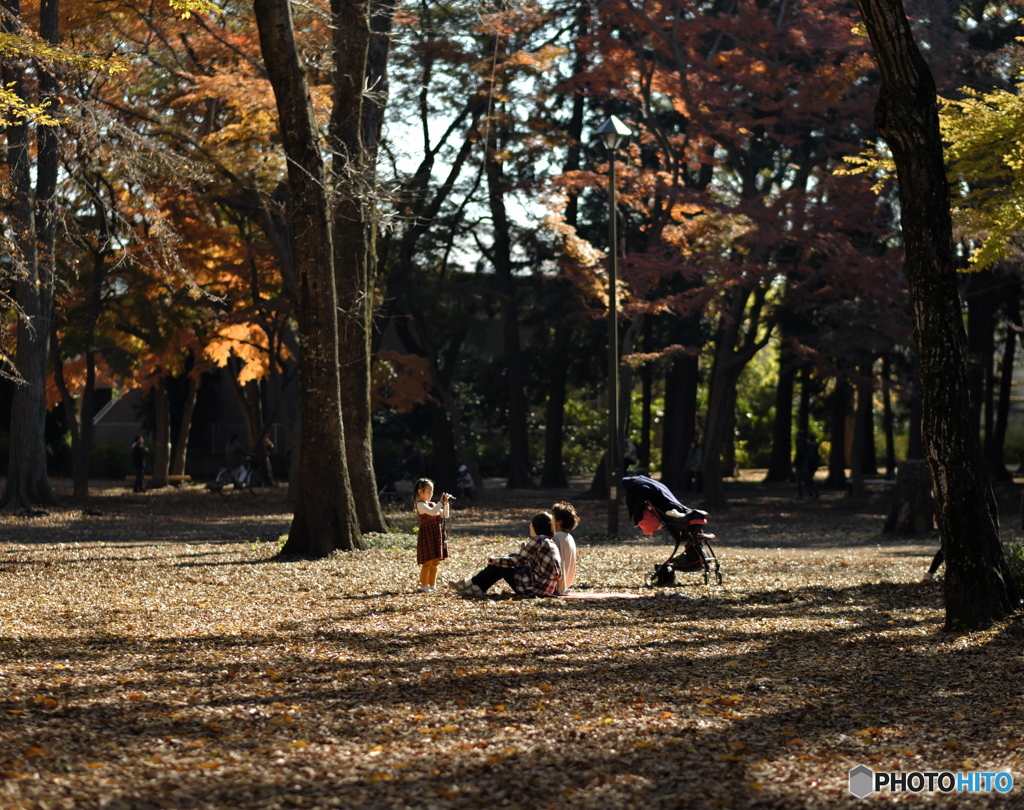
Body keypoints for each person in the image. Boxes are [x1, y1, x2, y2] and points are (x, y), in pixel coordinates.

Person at [449, 512, 561, 599]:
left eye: (531, 524)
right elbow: (526, 562)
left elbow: (517, 560)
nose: (529, 526)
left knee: (502, 565)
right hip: (545, 588)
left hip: (533, 589)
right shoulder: (549, 541)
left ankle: (470, 583)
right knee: (509, 557)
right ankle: (476, 588)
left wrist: (495, 561)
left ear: (537, 526)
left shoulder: (539, 539)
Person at [414, 477, 450, 593]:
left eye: (432, 491)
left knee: (435, 562)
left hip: (436, 535)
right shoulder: (420, 505)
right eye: (428, 491)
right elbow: (432, 512)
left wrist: (446, 504)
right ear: (420, 492)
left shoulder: (433, 504)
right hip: (427, 536)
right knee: (427, 562)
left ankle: (432, 585)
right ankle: (424, 585)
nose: (431, 494)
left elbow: (445, 515)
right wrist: (440, 503)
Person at [551, 501, 579, 595]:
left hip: (557, 584)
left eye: (552, 516)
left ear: (559, 521)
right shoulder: (569, 537)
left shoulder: (556, 537)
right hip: (567, 582)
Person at [794, 431, 820, 499]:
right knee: (807, 480)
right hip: (807, 464)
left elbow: (803, 454)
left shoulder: (803, 443)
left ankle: (803, 494)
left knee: (803, 480)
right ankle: (811, 493)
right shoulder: (811, 445)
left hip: (803, 464)